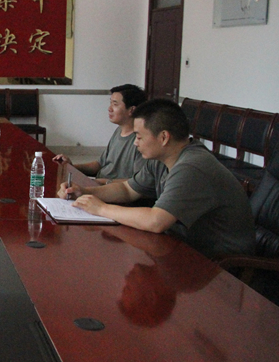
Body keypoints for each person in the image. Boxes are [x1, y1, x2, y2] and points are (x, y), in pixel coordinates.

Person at [59, 98, 255, 259]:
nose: (135, 143)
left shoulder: (191, 167)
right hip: (186, 247)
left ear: (163, 138)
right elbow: (128, 190)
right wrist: (84, 192)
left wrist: (101, 208)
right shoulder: (162, 158)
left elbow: (156, 221)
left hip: (222, 265)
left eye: (139, 137)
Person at [53, 84, 147, 182]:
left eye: (115, 104)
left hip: (111, 189)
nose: (109, 109)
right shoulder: (119, 131)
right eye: (110, 103)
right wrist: (70, 166)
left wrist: (98, 183)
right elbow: (100, 164)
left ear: (132, 110)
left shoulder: (141, 141)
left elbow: (138, 183)